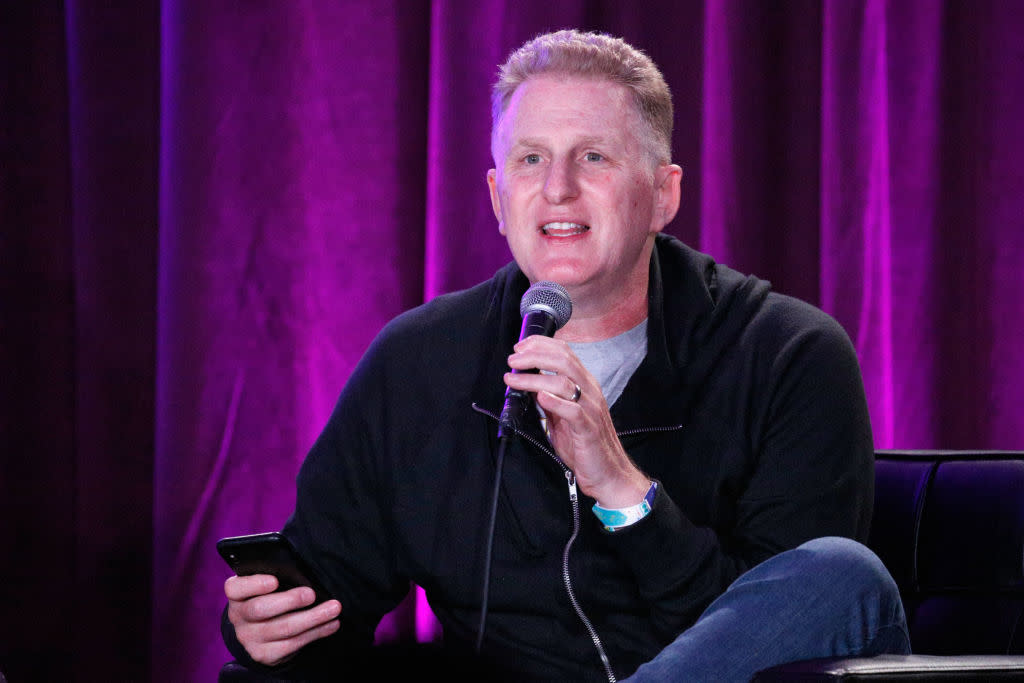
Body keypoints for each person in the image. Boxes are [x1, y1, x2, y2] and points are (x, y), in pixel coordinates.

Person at [223, 29, 910, 681]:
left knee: (844, 575)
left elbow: (789, 636)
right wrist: (263, 627)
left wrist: (621, 489)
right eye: (530, 158)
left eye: (593, 157)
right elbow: (325, 597)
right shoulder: (417, 363)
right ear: (497, 197)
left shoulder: (788, 356)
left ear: (663, 194)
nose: (557, 188)